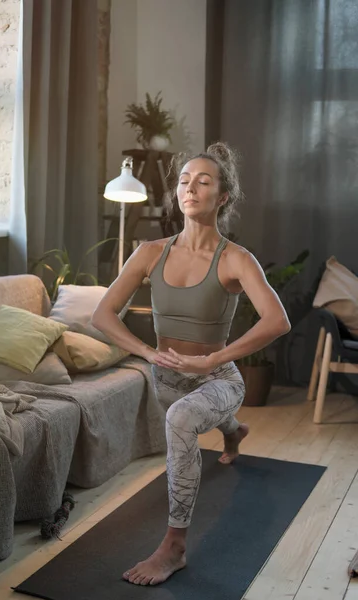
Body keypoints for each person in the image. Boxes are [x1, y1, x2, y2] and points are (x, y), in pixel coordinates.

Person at [91, 141, 291, 586]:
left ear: (223, 198)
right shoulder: (150, 252)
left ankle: (174, 546)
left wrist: (215, 359)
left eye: (203, 181)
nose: (190, 188)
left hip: (218, 378)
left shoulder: (236, 259)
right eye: (184, 181)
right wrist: (145, 352)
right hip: (165, 375)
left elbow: (278, 320)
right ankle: (234, 430)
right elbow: (102, 314)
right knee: (192, 410)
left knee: (185, 417)